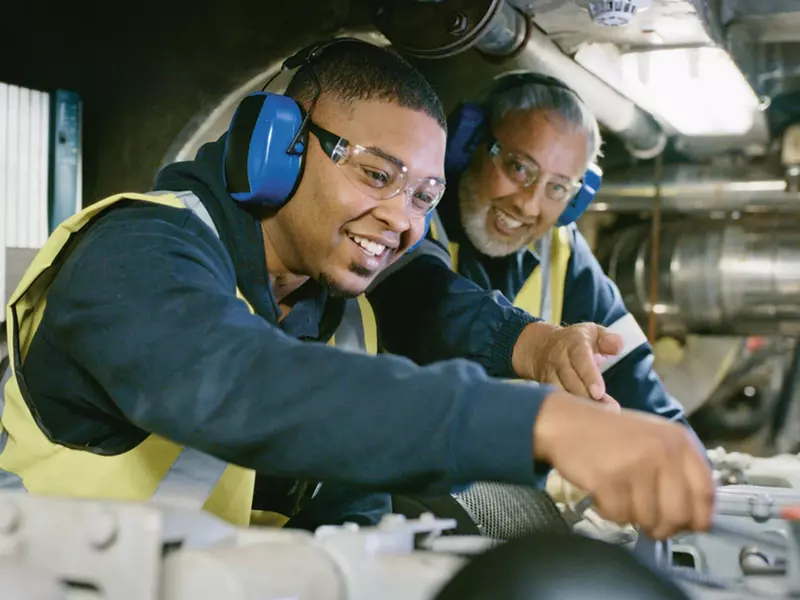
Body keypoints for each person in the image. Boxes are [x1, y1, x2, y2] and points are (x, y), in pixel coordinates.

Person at [0, 39, 713, 541]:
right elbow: (246, 383)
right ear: (274, 148)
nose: (403, 221)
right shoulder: (136, 254)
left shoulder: (342, 315)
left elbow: (347, 510)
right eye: (375, 174)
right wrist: (541, 425)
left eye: (424, 195)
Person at [370, 71, 689, 429]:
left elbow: (635, 382)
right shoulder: (411, 213)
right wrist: (536, 346)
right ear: (469, 141)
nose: (529, 205)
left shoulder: (563, 251)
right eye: (519, 167)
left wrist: (684, 454)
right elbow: (424, 307)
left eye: (557, 188)